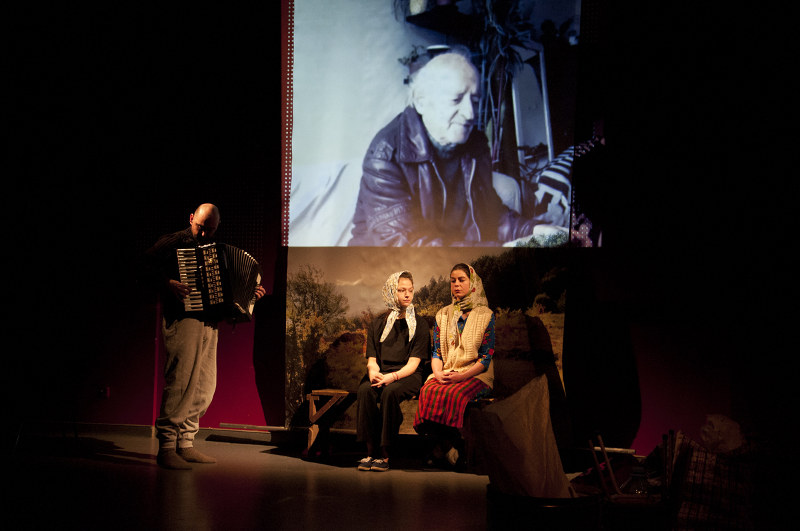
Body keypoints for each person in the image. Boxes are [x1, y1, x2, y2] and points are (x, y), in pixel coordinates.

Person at [348, 50, 539, 247]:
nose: (470, 114)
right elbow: (407, 249)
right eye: (455, 100)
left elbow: (491, 214)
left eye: (475, 101)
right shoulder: (386, 155)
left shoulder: (476, 144)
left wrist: (533, 230)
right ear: (421, 103)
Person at [144, 203, 266, 470]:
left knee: (204, 386)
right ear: (191, 218)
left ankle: (186, 443)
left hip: (209, 323)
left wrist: (250, 295)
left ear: (217, 227)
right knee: (181, 382)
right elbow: (144, 265)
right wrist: (168, 283)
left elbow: (226, 295)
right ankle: (167, 446)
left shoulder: (216, 249)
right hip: (183, 318)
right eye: (200, 227)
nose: (203, 234)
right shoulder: (173, 242)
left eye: (209, 229)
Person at [414, 263, 494, 468]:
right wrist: (437, 373)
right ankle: (450, 444)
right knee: (428, 390)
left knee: (455, 394)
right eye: (453, 281)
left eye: (461, 280)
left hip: (476, 374)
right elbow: (437, 352)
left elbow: (486, 358)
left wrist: (461, 376)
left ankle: (449, 448)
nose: (456, 284)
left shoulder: (486, 315)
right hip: (448, 371)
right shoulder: (443, 314)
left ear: (472, 283)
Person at [356, 271, 430, 472]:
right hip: (382, 372)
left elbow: (414, 364)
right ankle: (370, 451)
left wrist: (393, 377)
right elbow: (372, 360)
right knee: (365, 390)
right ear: (391, 292)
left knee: (389, 392)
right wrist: (373, 373)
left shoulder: (420, 325)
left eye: (410, 290)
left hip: (408, 375)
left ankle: (385, 452)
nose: (407, 294)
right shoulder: (377, 323)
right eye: (401, 290)